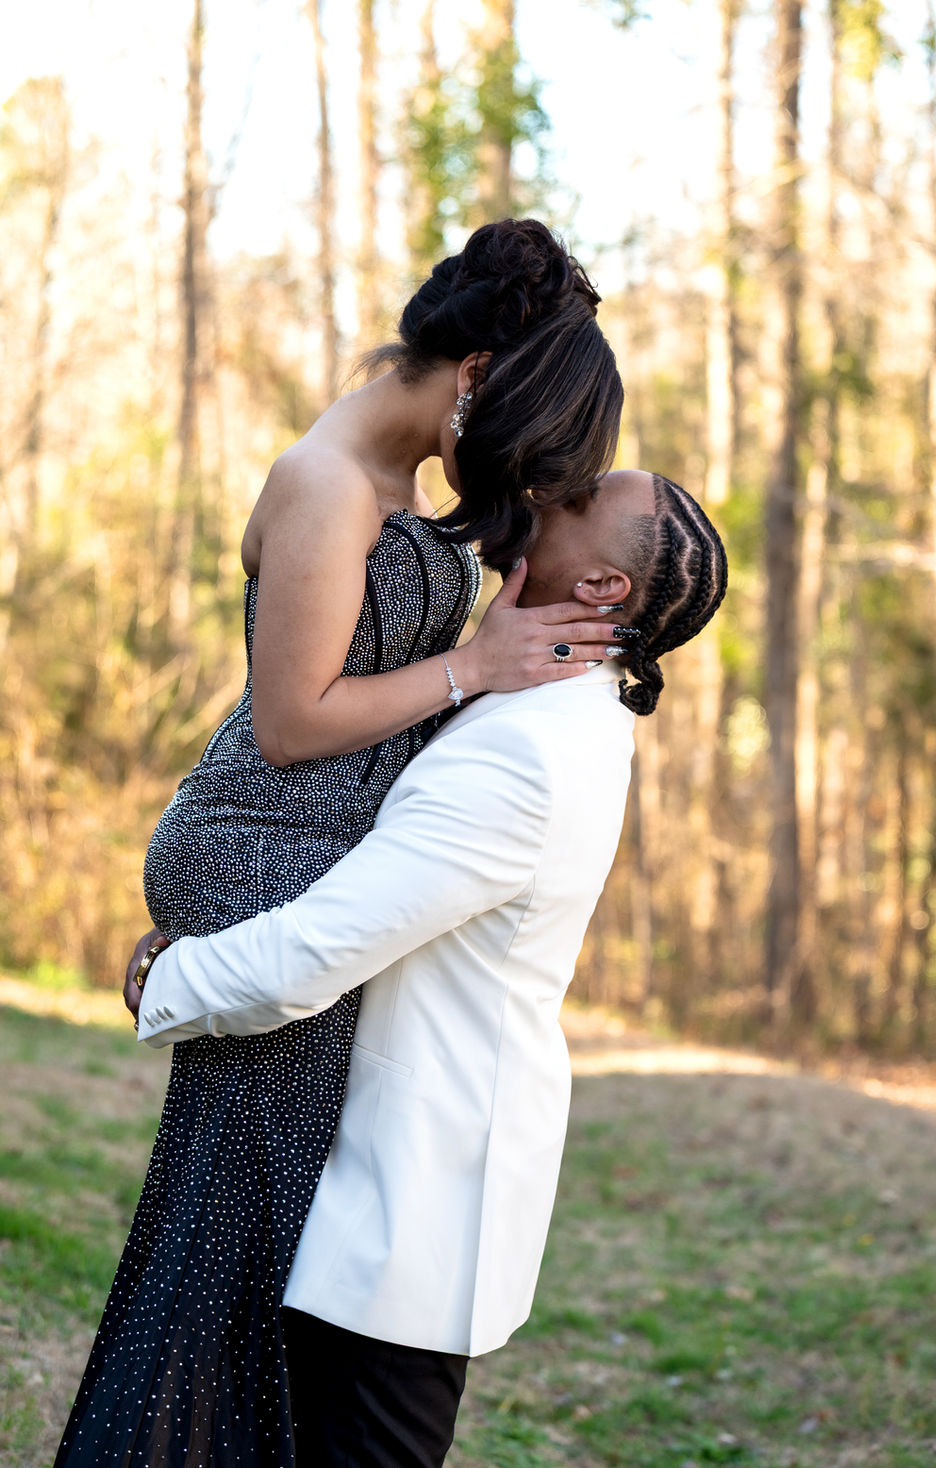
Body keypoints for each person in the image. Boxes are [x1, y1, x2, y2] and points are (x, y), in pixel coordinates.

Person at [54, 219, 624, 1468]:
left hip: (323, 834)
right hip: (262, 835)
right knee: (245, 1235)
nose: (527, 482)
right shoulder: (321, 481)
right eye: (529, 437)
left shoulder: (399, 483)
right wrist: (472, 665)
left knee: (280, 1226)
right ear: (476, 372)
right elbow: (293, 717)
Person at [125, 471, 728, 1468]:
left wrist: (166, 977)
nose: (547, 489)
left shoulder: (530, 752)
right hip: (390, 1179)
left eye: (577, 501)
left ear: (604, 591)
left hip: (408, 1207)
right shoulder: (545, 702)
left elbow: (316, 953)